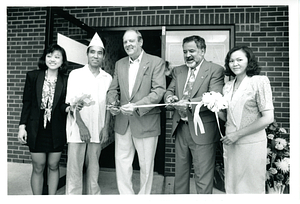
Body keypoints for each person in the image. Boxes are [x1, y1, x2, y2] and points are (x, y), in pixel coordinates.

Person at [107, 29, 166, 194]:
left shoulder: (156, 62)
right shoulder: (119, 64)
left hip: (146, 121)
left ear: (140, 42)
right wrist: (113, 102)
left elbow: (158, 91)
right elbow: (113, 90)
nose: (128, 45)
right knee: (122, 162)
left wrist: (136, 106)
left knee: (146, 164)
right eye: (125, 42)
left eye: (131, 41)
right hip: (122, 122)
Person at [164, 35, 224, 194]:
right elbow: (170, 90)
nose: (187, 55)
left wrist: (188, 102)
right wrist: (170, 97)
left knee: (203, 176)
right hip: (180, 129)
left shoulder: (215, 70)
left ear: (203, 51)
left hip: (203, 130)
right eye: (185, 52)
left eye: (192, 51)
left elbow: (214, 95)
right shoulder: (178, 70)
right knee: (180, 176)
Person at [219, 46, 274, 193]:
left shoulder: (259, 81)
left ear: (248, 61)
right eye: (231, 61)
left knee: (251, 187)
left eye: (239, 60)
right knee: (232, 187)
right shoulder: (228, 86)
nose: (235, 64)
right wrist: (214, 106)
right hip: (231, 143)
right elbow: (228, 117)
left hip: (251, 144)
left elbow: (268, 118)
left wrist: (237, 134)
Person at [18, 44, 69, 195]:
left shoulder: (66, 80)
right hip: (36, 126)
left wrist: (69, 108)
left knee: (53, 165)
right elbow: (27, 103)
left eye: (57, 57)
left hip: (56, 127)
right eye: (49, 56)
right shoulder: (33, 76)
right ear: (44, 58)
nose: (52, 59)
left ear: (62, 61)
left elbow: (63, 105)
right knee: (38, 166)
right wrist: (22, 126)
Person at [65, 33, 112, 195]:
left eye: (99, 53)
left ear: (104, 56)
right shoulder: (75, 75)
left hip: (98, 128)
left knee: (94, 167)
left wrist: (106, 128)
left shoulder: (108, 78)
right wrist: (81, 126)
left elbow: (108, 106)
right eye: (92, 52)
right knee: (74, 169)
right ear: (87, 54)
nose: (96, 56)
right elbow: (71, 103)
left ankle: (94, 196)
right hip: (77, 128)